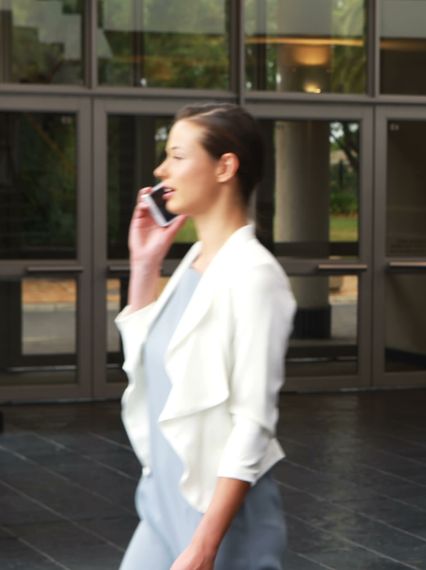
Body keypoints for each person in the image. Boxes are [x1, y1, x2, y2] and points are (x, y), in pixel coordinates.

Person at [115, 103, 295, 569]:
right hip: (161, 505)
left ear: (225, 166)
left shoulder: (255, 276)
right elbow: (150, 365)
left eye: (176, 155)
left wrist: (203, 546)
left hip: (220, 525)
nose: (160, 169)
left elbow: (253, 421)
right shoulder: (194, 261)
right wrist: (145, 264)